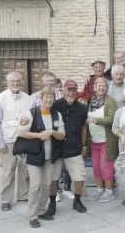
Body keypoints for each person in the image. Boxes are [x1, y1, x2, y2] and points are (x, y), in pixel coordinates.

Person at [18, 87, 65, 228]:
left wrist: (51, 132)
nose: (49, 99)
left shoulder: (56, 115)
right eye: (46, 97)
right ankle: (32, 216)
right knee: (35, 186)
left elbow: (62, 135)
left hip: (49, 157)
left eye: (51, 97)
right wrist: (39, 135)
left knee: (46, 186)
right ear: (41, 98)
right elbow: (21, 132)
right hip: (35, 156)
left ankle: (41, 211)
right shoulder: (32, 113)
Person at [0, 71, 32, 211]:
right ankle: (6, 199)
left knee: (24, 170)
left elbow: (31, 117)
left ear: (22, 82)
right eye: (12, 81)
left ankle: (23, 194)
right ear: (7, 83)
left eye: (18, 81)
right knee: (8, 171)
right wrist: (0, 143)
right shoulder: (0, 99)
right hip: (8, 140)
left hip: (24, 139)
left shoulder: (28, 98)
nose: (16, 83)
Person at [47, 80, 88, 215]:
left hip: (74, 148)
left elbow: (83, 128)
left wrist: (83, 145)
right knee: (53, 179)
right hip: (57, 148)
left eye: (73, 90)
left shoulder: (82, 108)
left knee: (79, 177)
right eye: (68, 90)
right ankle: (52, 202)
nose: (71, 92)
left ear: (76, 91)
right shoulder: (55, 105)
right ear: (63, 91)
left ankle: (77, 200)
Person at [86, 78, 118, 203]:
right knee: (96, 167)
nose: (102, 88)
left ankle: (109, 191)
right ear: (94, 87)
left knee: (106, 166)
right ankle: (99, 189)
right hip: (94, 141)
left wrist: (95, 121)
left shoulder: (110, 102)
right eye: (99, 85)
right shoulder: (91, 101)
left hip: (107, 140)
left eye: (104, 85)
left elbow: (112, 119)